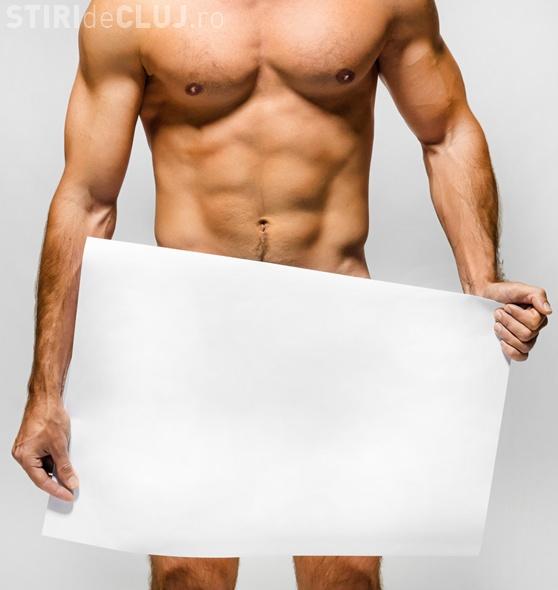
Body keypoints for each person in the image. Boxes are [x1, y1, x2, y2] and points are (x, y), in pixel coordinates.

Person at [12, 0, 551, 588]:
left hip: (336, 322)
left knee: (345, 575)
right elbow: (87, 198)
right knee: (188, 575)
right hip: (191, 325)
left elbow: (446, 132)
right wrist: (46, 392)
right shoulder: (131, 10)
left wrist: (481, 283)